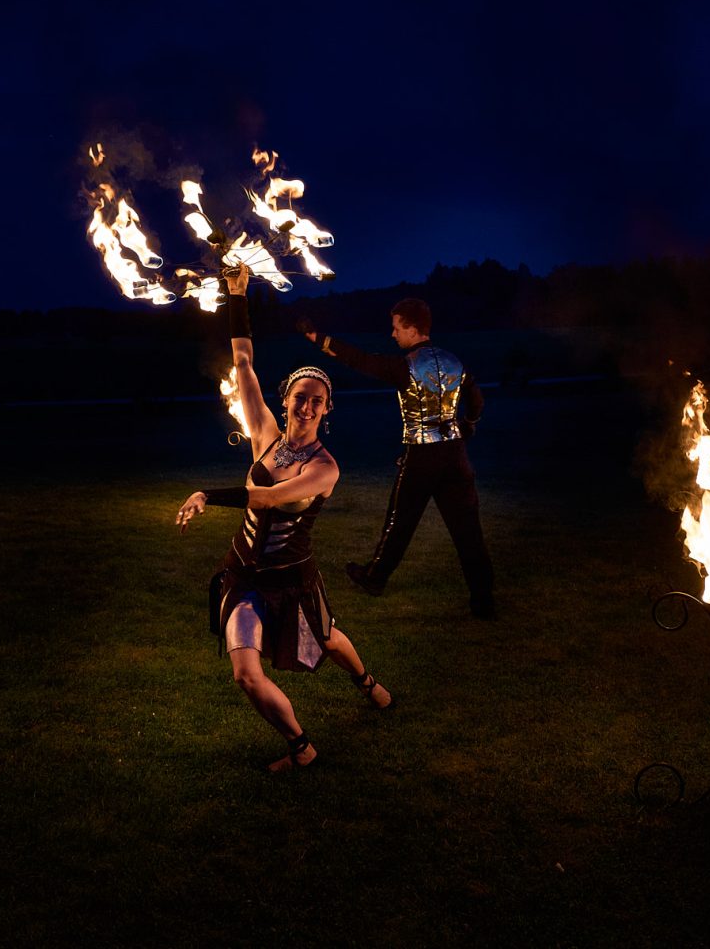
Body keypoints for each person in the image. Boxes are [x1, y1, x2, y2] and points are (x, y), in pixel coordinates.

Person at [176, 263, 392, 772]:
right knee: (246, 675)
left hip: (293, 578)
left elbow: (266, 499)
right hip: (244, 576)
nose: (308, 406)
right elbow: (244, 363)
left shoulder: (324, 468)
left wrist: (207, 492)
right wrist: (236, 296)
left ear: (327, 409)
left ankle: (365, 681)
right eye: (301, 398)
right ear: (287, 400)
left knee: (329, 637)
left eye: (318, 401)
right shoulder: (265, 437)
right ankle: (302, 747)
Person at [298, 298, 496, 618]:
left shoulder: (406, 367)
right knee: (468, 529)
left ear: (413, 329)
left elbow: (359, 360)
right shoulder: (455, 362)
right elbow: (476, 400)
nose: (393, 335)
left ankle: (375, 578)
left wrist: (318, 340)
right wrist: (468, 424)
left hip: (422, 457)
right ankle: (483, 599)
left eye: (397, 328)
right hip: (456, 456)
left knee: (400, 522)